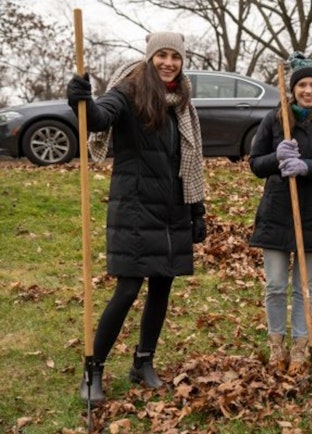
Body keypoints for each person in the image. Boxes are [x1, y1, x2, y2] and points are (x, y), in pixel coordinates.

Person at [67, 31, 207, 404]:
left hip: (173, 207)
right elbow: (99, 118)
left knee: (162, 286)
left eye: (174, 56)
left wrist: (197, 210)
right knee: (128, 289)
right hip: (134, 208)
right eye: (161, 55)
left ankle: (143, 361)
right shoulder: (130, 90)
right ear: (149, 57)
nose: (168, 62)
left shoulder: (183, 101)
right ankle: (92, 370)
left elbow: (186, 161)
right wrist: (80, 99)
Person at [248, 52, 312, 375]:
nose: (308, 90)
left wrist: (306, 166)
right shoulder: (275, 119)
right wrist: (277, 158)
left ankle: (300, 348)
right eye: (302, 84)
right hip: (278, 210)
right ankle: (276, 344)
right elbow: (254, 164)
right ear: (293, 89)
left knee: (303, 287)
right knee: (276, 284)